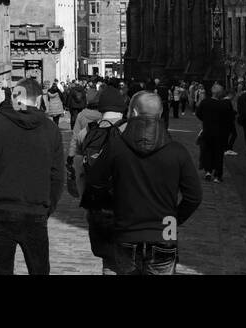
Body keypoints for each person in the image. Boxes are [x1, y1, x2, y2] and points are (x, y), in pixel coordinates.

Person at [85, 91, 203, 275]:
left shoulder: (116, 147)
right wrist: (173, 220)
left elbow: (94, 182)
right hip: (164, 233)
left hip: (126, 231)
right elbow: (194, 197)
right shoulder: (177, 151)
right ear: (161, 113)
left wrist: (111, 208)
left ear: (133, 112)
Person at [0, 77, 64, 275]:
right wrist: (47, 207)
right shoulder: (51, 129)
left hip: (2, 209)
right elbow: (57, 177)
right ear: (39, 99)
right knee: (39, 270)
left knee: (0, 270)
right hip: (35, 210)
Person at [74, 85, 127, 273]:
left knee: (108, 260)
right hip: (126, 206)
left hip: (98, 206)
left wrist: (85, 199)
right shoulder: (129, 131)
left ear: (101, 108)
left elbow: (78, 169)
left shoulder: (86, 133)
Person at [195, 83, 237, 182]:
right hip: (220, 133)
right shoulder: (224, 104)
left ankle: (208, 171)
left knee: (207, 151)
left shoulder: (205, 102)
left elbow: (198, 113)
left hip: (207, 131)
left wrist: (205, 120)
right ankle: (218, 175)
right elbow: (230, 118)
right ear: (220, 93)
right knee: (218, 154)